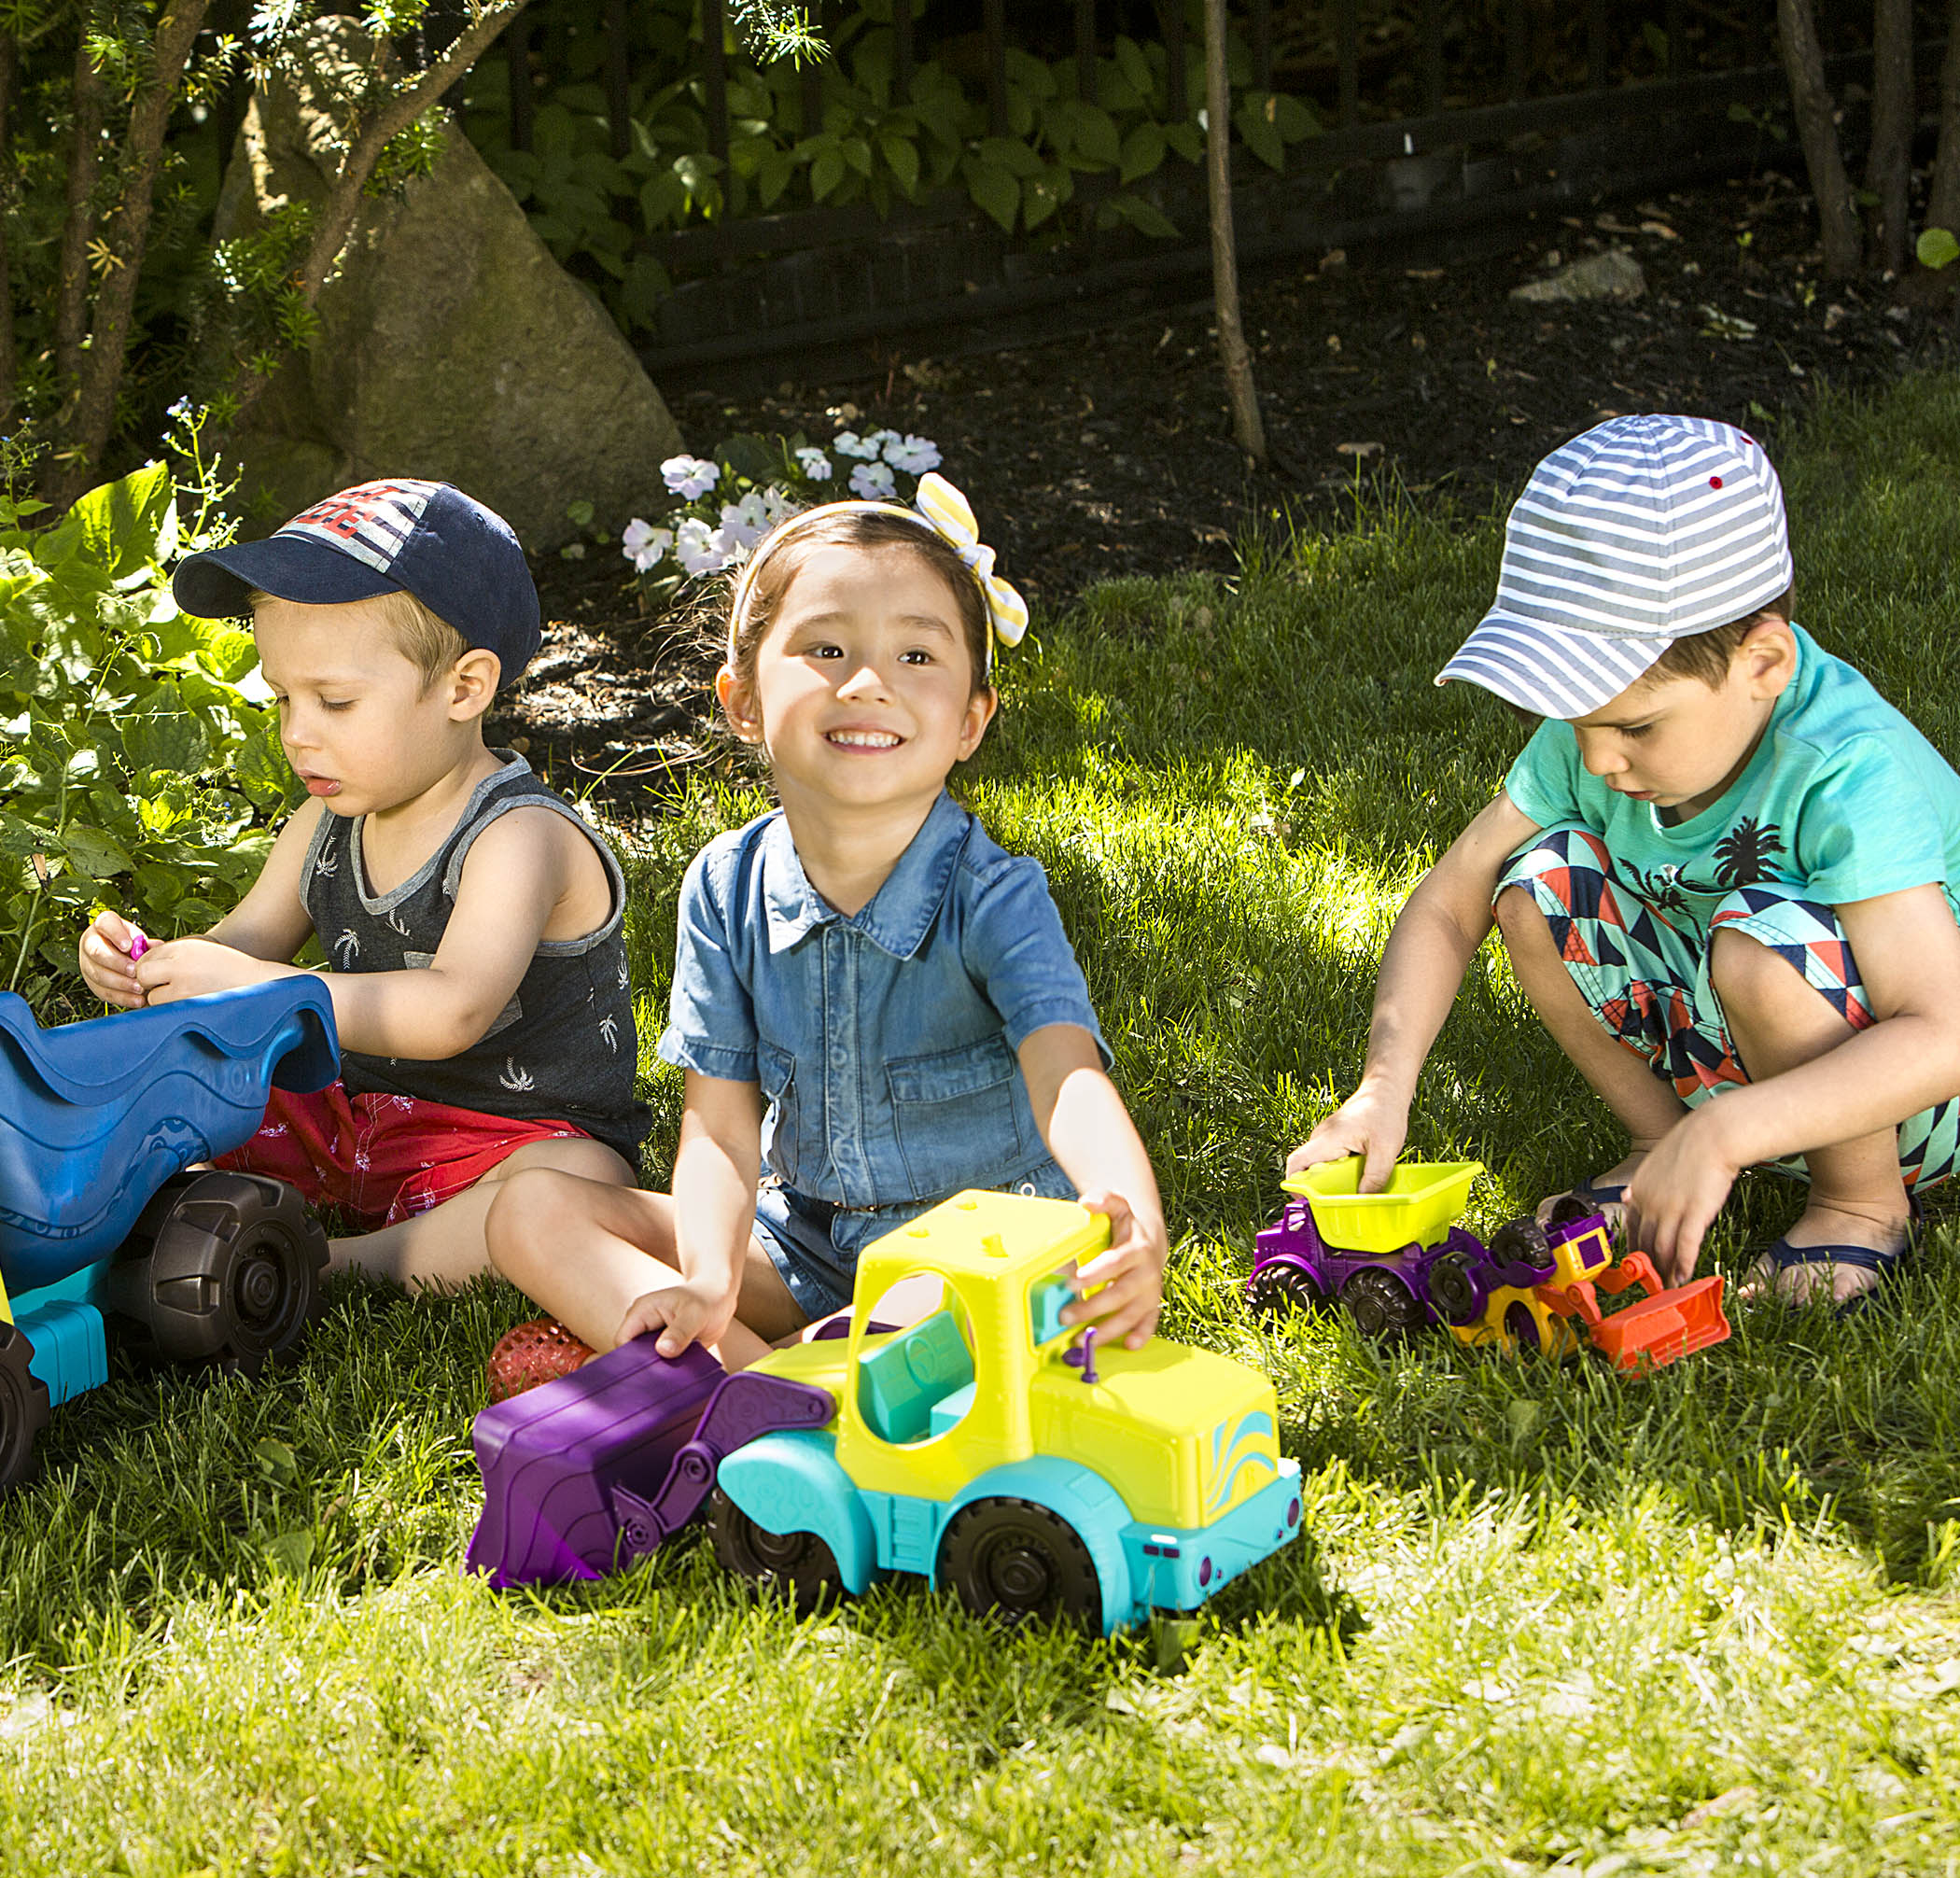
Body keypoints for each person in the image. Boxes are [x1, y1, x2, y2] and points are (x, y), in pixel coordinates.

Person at [484, 473, 1165, 1371]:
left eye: (917, 656)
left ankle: (732, 1378)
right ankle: (762, 1373)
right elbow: (721, 1131)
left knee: (965, 1318)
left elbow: (1065, 1074)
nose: (870, 683)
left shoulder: (994, 896)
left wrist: (1130, 1208)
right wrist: (708, 1274)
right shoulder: (726, 888)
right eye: (827, 649)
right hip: (801, 1242)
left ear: (970, 719)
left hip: (980, 1256)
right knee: (531, 1208)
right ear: (744, 703)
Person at [1289, 414, 1960, 1305]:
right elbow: (1453, 904)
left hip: (1908, 1095)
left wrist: (1729, 1131)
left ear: (1762, 663)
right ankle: (1657, 1144)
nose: (1599, 759)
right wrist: (1383, 1088)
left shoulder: (1848, 770)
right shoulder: (1599, 746)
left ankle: (1860, 1209)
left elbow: (1942, 1037)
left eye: (1635, 726)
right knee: (1529, 887)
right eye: (1577, 720)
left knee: (1758, 948)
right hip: (1746, 1047)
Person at [78, 479, 647, 1289]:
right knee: (172, 1087)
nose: (297, 733)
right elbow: (243, 944)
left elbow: (454, 1008)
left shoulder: (519, 836)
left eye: (335, 702)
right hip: (350, 1119)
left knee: (579, 1185)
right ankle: (194, 1212)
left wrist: (263, 988)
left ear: (464, 688)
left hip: (500, 1143)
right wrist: (156, 966)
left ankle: (332, 1263)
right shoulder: (326, 821)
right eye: (283, 699)